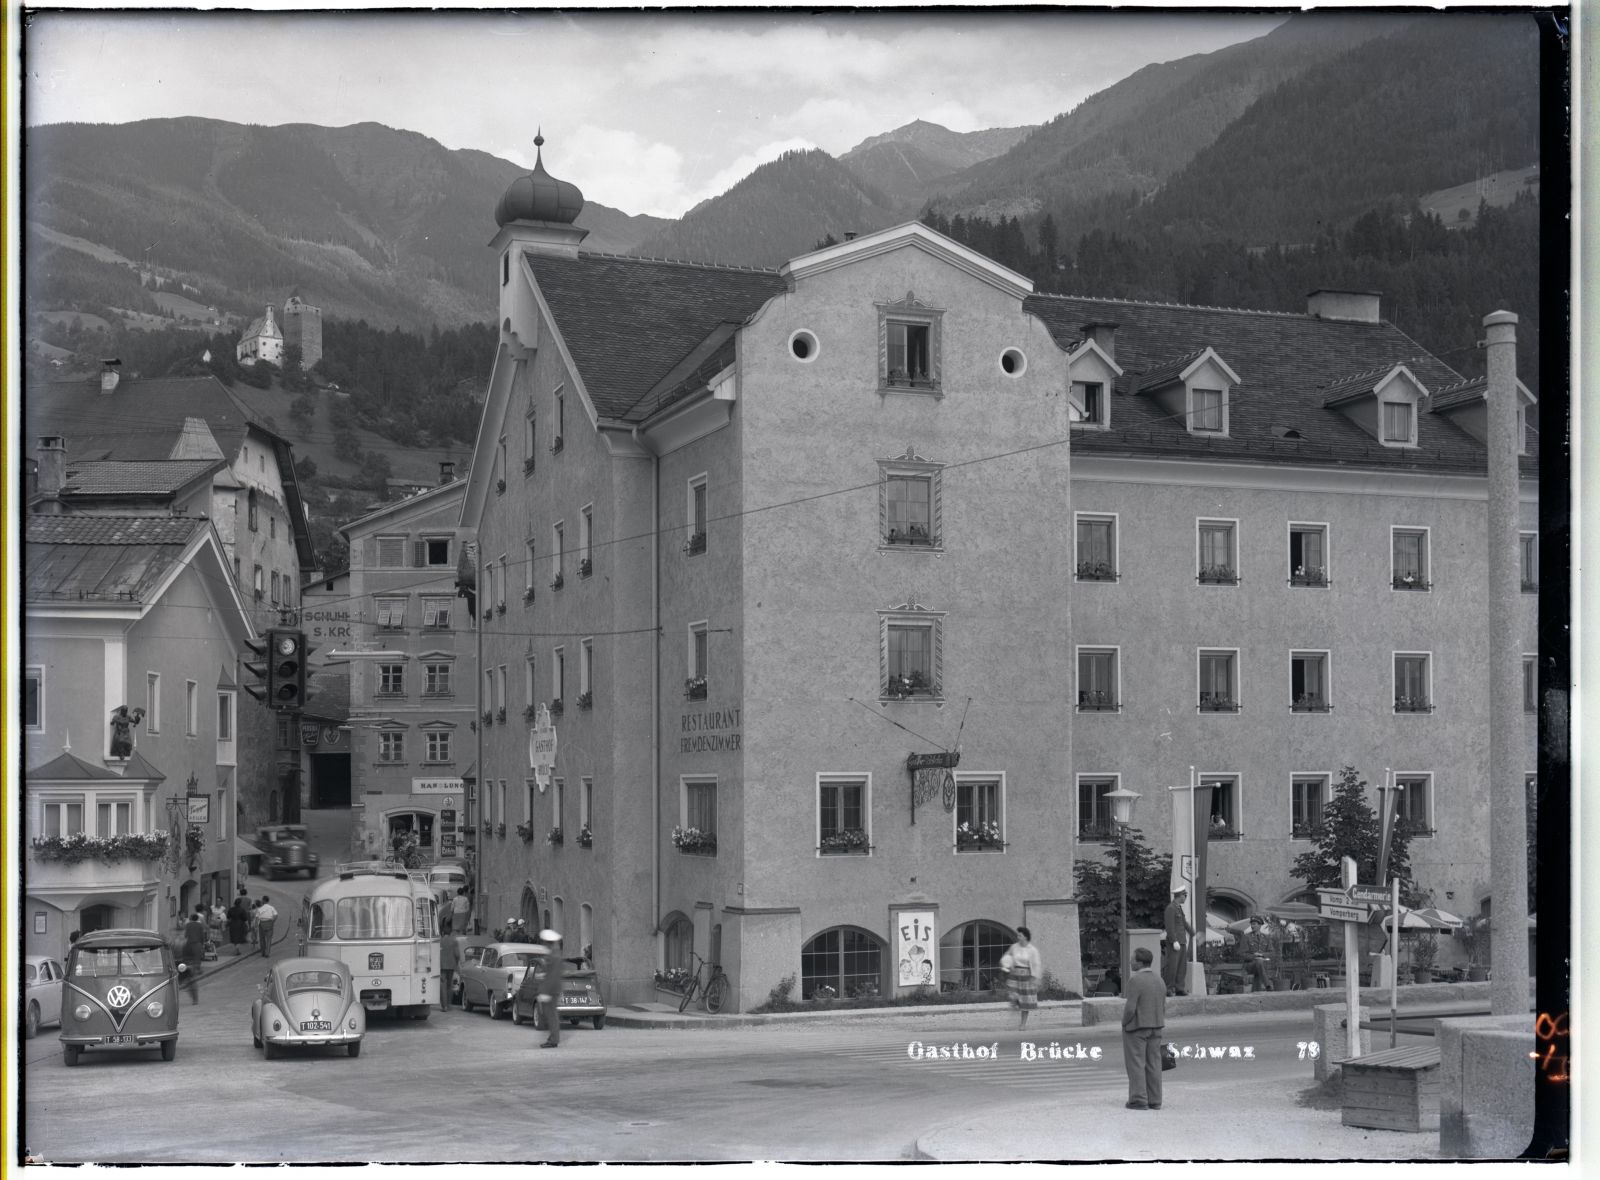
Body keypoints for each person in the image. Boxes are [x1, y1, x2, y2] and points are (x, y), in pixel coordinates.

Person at [1121, 946, 1166, 1110]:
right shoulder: (1159, 980)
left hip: (1137, 1027)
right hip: (1157, 1026)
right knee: (1154, 1063)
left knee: (1136, 1064)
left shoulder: (1135, 981)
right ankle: (1155, 1100)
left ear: (1139, 963)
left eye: (1133, 959)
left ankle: (1139, 1099)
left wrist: (1124, 1023)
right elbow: (1163, 1005)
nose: (1131, 962)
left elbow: (1130, 1008)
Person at [999, 926, 1043, 1030]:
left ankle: (1022, 1024)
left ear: (1025, 936)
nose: (1018, 937)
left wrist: (1036, 977)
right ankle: (1014, 1003)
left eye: (1020, 935)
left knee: (1025, 1001)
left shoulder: (1032, 950)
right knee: (1012, 994)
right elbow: (1006, 957)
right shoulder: (1014, 947)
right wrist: (1005, 965)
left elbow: (1036, 964)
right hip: (1014, 975)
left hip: (1026, 976)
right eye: (1018, 935)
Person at [1163, 887, 1195, 996]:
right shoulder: (1170, 908)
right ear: (1180, 895)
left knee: (1182, 966)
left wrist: (1193, 932)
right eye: (1185, 895)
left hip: (1182, 941)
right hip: (1175, 942)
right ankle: (1169, 988)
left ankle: (1179, 988)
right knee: (1172, 966)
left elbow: (1184, 923)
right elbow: (1169, 926)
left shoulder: (1178, 908)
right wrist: (1173, 940)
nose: (1185, 897)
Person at [537, 929, 566, 1048]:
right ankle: (552, 1037)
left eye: (545, 942)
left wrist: (545, 992)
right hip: (552, 988)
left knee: (551, 1015)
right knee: (550, 1015)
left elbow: (553, 975)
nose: (543, 944)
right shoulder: (554, 954)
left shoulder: (553, 955)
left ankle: (554, 1039)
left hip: (551, 989)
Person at [180, 907, 207, 1003]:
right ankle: (196, 969)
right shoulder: (199, 926)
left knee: (189, 973)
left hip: (189, 944)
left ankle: (192, 971)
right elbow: (202, 936)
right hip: (197, 944)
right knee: (197, 959)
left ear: (191, 918)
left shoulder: (188, 925)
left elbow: (186, 935)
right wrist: (203, 944)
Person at [1239, 915, 1273, 992]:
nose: (1252, 926)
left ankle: (1257, 991)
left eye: (1254, 924)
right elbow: (1242, 954)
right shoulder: (1246, 937)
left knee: (1260, 964)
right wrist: (1254, 956)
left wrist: (1262, 955)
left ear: (1260, 925)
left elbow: (1272, 952)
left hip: (1262, 966)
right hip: (1249, 966)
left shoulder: (1266, 937)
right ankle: (1267, 985)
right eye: (1251, 924)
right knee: (1259, 962)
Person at [439, 926, 461, 1012]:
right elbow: (457, 955)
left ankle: (444, 1006)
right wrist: (456, 963)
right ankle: (449, 1005)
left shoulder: (439, 941)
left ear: (443, 933)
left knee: (443, 985)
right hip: (451, 966)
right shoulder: (454, 941)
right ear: (450, 933)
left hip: (442, 966)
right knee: (449, 985)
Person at [255, 894, 279, 959]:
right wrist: (273, 922)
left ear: (263, 900)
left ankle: (263, 952)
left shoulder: (259, 909)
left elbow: (257, 918)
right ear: (268, 901)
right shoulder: (271, 908)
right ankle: (267, 953)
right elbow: (276, 915)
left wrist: (256, 926)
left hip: (262, 924)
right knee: (269, 939)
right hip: (269, 923)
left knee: (262, 939)